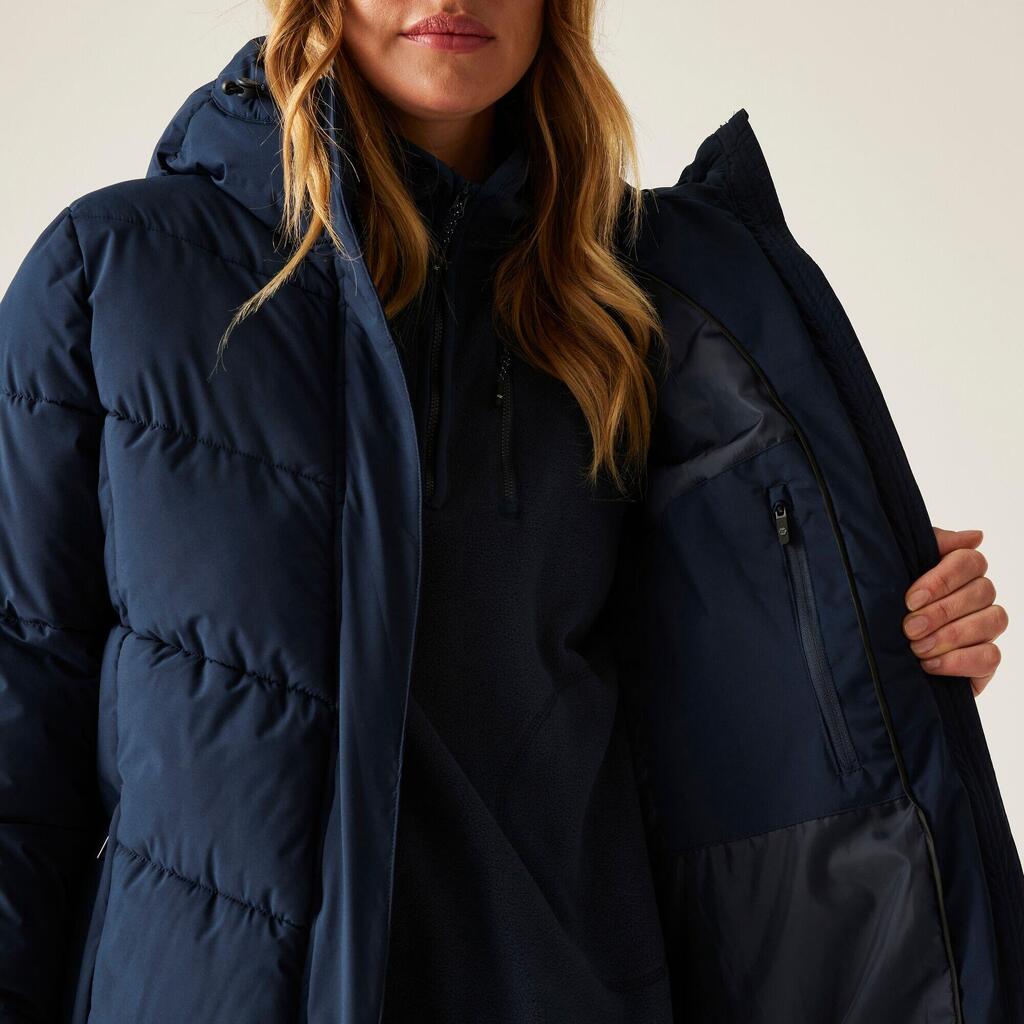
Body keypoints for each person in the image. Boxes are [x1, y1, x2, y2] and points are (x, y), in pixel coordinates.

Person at [0, 3, 1017, 1023]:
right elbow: (18, 734)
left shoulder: (641, 306)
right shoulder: (117, 276)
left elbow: (724, 711)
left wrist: (875, 623)